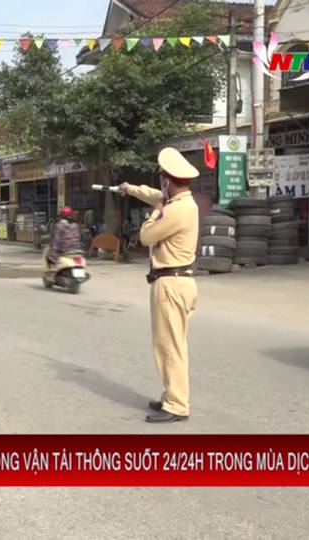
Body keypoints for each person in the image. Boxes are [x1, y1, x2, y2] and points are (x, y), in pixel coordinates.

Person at [118, 147, 199, 424]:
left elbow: (146, 236)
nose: (159, 184)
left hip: (171, 283)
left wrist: (154, 212)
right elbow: (153, 195)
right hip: (176, 281)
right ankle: (171, 395)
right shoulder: (181, 202)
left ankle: (177, 404)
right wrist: (130, 189)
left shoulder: (176, 211)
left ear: (168, 180)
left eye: (161, 178)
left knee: (170, 346)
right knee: (168, 344)